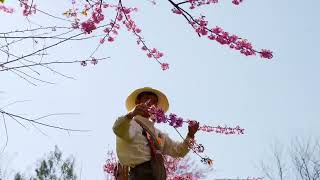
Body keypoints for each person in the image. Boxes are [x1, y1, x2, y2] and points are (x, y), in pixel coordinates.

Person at [112, 87, 199, 180]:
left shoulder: (158, 134)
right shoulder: (131, 123)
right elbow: (117, 128)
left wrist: (190, 135)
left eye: (154, 102)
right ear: (137, 101)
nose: (151, 104)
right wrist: (131, 114)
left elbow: (179, 151)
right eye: (147, 99)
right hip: (139, 174)